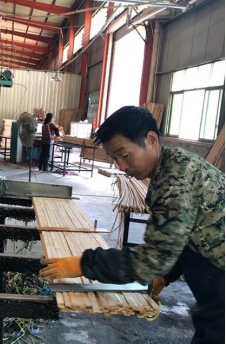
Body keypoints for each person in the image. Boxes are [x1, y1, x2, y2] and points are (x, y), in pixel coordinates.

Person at [40, 106, 224, 344]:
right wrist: (165, 274)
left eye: (124, 155)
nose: (121, 166)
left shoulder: (175, 182)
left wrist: (85, 264)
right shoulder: (173, 165)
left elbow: (150, 259)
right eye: (114, 159)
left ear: (151, 140)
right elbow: (184, 234)